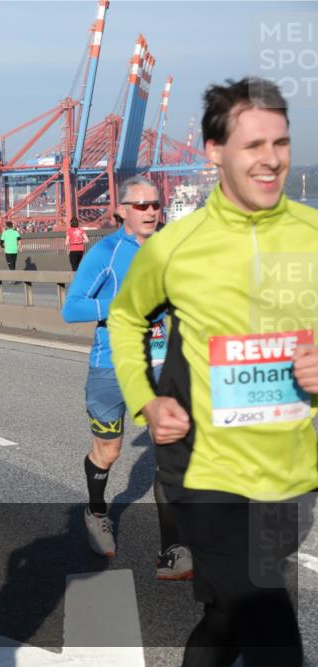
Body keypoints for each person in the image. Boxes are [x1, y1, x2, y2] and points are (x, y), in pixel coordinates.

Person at [110, 77, 318, 667]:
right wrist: (146, 399)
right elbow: (125, 318)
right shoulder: (176, 245)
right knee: (264, 610)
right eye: (253, 145)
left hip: (288, 466)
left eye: (280, 142)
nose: (271, 159)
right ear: (214, 152)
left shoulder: (311, 235)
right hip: (203, 466)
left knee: (229, 614)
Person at [62, 175, 190, 580]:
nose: (151, 212)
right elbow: (72, 308)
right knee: (108, 451)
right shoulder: (105, 253)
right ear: (121, 211)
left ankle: (172, 550)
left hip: (160, 364)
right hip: (111, 365)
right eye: (141, 205)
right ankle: (96, 511)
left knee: (169, 452)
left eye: (155, 204)